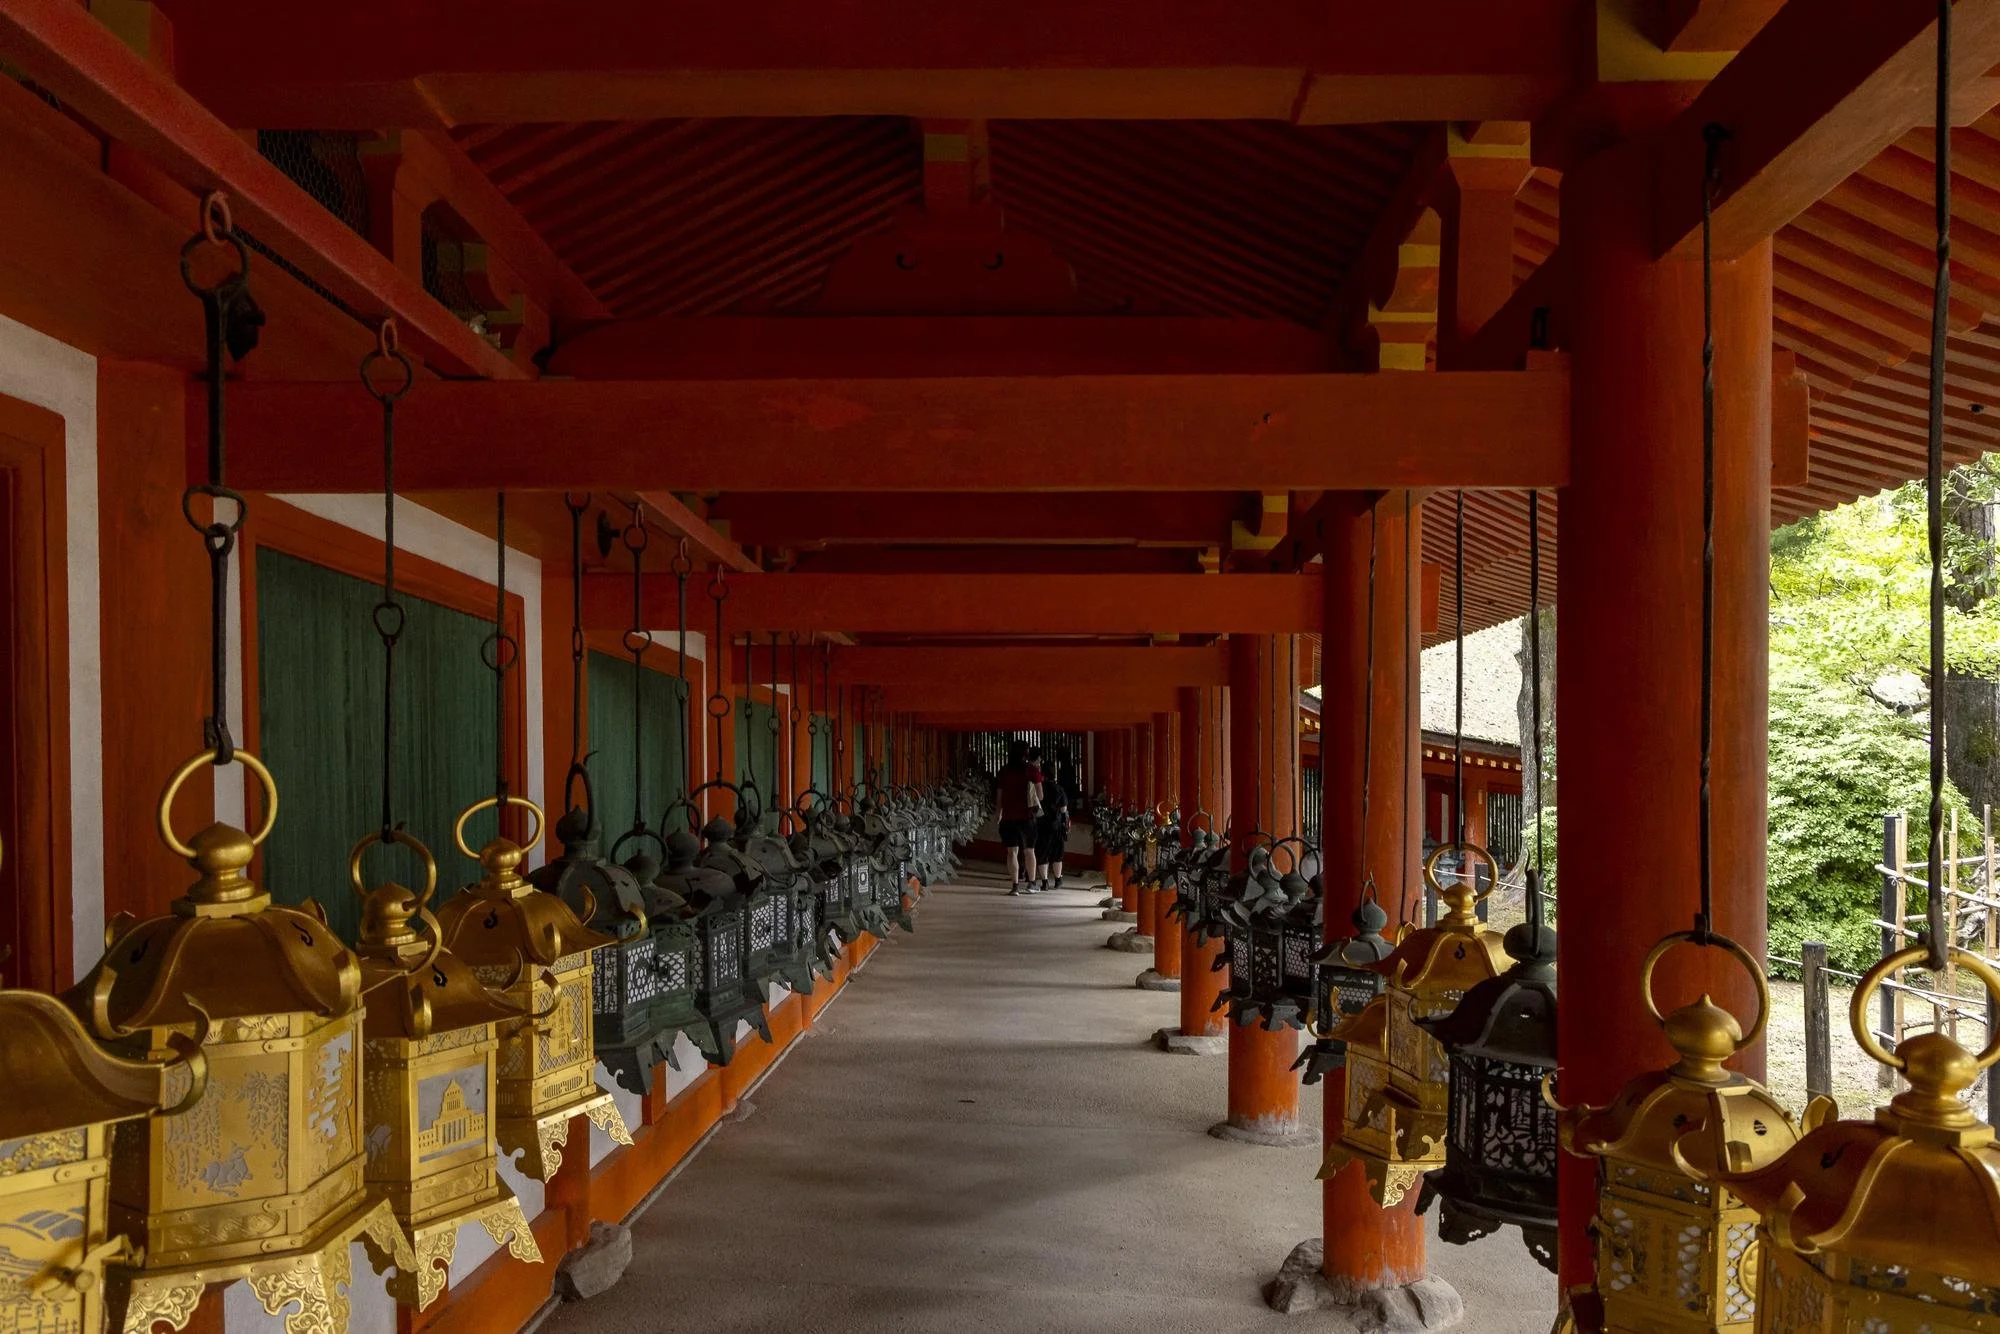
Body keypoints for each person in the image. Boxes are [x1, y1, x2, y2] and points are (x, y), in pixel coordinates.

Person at [993, 740, 1044, 895]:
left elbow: (999, 797)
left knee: (1012, 852)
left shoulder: (1004, 771)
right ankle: (1031, 884)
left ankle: (1015, 886)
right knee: (1030, 851)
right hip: (1028, 817)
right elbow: (1040, 796)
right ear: (1026, 753)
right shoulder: (1032, 771)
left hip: (1008, 817)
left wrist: (998, 815)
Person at [1032, 748, 1071, 892]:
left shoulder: (1039, 788)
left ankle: (1044, 882)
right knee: (1057, 854)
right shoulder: (1059, 789)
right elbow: (1063, 809)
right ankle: (1058, 879)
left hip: (1042, 825)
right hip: (1057, 826)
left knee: (1042, 853)